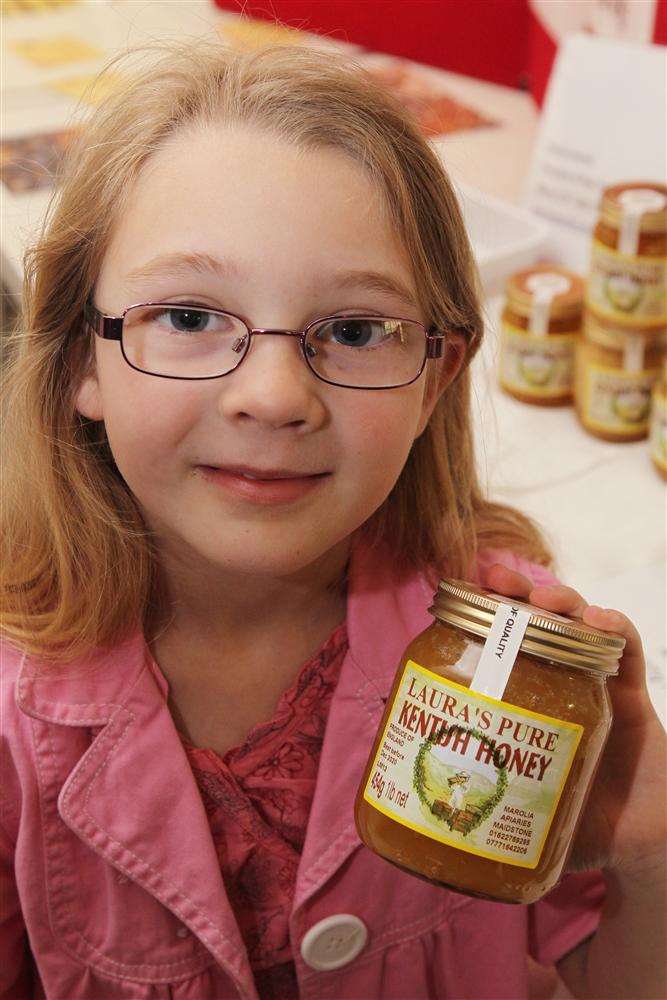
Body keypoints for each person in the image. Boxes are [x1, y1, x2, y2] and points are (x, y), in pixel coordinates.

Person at [1, 37, 664, 1000]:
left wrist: (646, 860)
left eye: (354, 331)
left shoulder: (502, 665)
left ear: (436, 378)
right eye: (188, 317)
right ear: (79, 362)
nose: (273, 397)